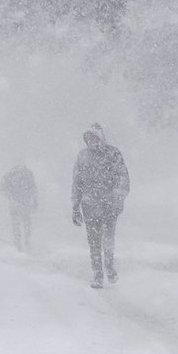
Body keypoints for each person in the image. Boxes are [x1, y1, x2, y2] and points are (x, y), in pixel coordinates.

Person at [70, 123, 129, 288]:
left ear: (101, 138)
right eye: (88, 138)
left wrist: (119, 196)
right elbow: (77, 183)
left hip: (109, 205)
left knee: (108, 238)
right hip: (89, 206)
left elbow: (122, 176)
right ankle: (97, 274)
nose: (91, 141)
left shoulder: (113, 154)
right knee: (94, 242)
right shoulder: (82, 157)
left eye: (94, 138)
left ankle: (109, 267)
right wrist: (75, 207)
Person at [0, 160, 39, 251]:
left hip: (16, 203)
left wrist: (10, 197)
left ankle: (19, 243)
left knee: (17, 224)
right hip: (25, 203)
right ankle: (25, 242)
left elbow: (2, 188)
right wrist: (34, 201)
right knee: (26, 223)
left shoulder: (10, 174)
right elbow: (34, 188)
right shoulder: (27, 173)